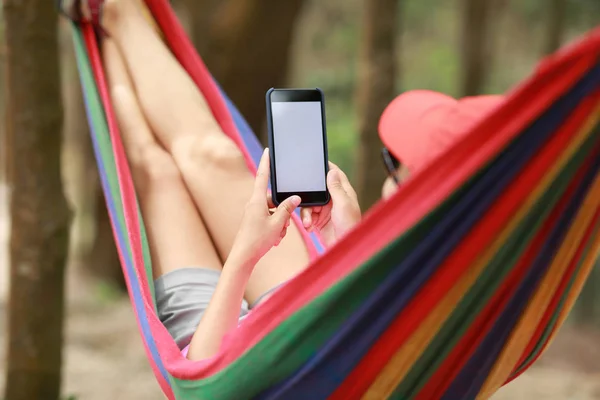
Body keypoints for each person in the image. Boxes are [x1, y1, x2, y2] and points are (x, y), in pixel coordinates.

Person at [61, 0, 503, 361]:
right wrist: (344, 246)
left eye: (396, 164)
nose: (389, 170)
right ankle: (113, 14)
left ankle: (102, 30)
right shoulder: (433, 254)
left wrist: (243, 256)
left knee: (154, 171)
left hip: (241, 355)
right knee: (214, 157)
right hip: (291, 304)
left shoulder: (453, 305)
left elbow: (204, 373)